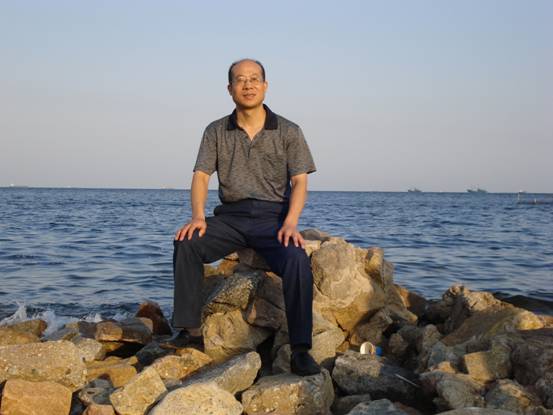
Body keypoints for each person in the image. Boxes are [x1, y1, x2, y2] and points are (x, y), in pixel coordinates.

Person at [172, 58, 320, 376]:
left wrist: (291, 222)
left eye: (254, 79)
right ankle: (190, 331)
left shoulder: (289, 131)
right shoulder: (215, 130)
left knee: (296, 259)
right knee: (187, 242)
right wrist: (198, 217)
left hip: (273, 218)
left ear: (265, 86)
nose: (248, 85)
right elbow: (201, 176)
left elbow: (300, 181)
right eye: (240, 79)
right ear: (230, 88)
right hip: (231, 217)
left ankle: (300, 349)